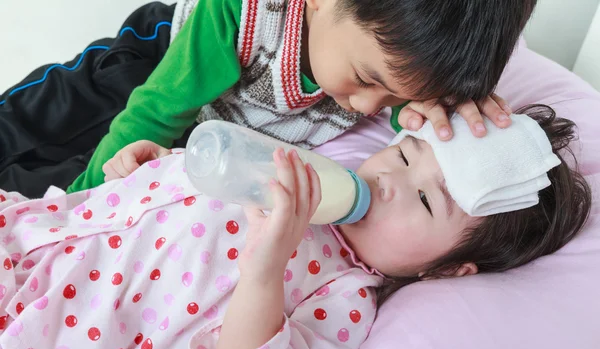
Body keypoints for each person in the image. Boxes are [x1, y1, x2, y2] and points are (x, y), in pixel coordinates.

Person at [0, 104, 590, 349]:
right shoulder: (319, 171)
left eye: (426, 202)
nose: (388, 181)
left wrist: (265, 266)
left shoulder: (347, 292)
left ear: (446, 271)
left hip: (40, 335)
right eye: (405, 155)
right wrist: (150, 169)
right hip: (30, 229)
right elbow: (195, 192)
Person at [61, 0, 536, 192]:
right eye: (367, 79)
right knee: (50, 127)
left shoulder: (391, 70)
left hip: (210, 133)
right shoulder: (240, 12)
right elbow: (156, 111)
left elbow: (412, 120)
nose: (371, 107)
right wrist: (81, 213)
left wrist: (438, 110)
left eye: (394, 97)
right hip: (155, 65)